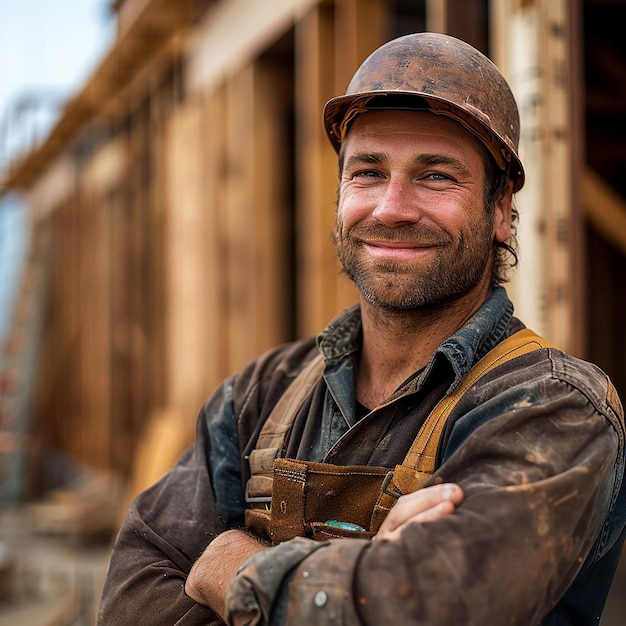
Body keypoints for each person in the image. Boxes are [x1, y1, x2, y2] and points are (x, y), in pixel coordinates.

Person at [98, 32, 626, 626]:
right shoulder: (258, 396)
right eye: (369, 172)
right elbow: (131, 596)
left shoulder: (553, 408)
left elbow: (431, 609)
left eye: (436, 177)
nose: (391, 207)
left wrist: (231, 564)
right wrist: (367, 569)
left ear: (500, 209)